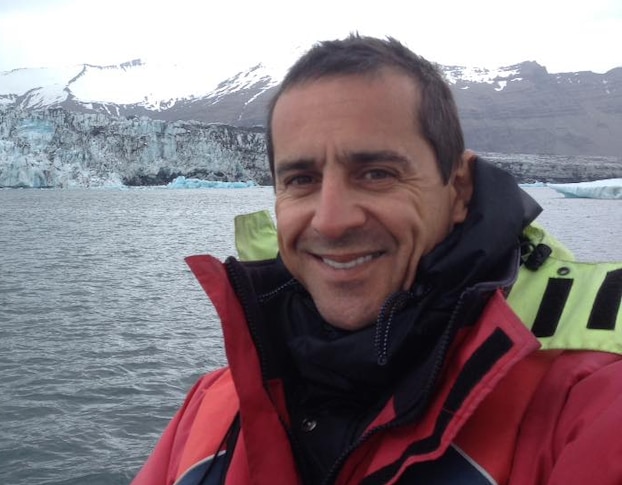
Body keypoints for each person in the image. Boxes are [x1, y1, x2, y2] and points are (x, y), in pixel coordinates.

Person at [132, 35, 622, 485]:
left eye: (376, 173)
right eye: (301, 179)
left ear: (458, 190)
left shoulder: (587, 398)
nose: (330, 220)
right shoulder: (211, 410)